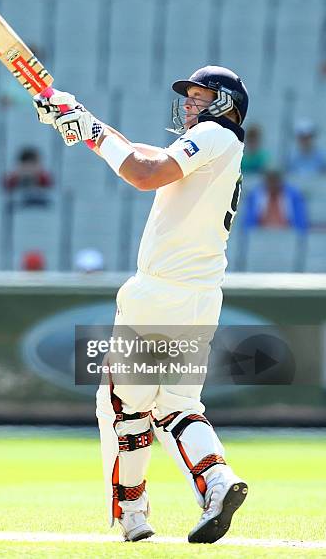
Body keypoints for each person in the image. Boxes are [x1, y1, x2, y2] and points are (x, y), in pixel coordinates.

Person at [33, 65, 249, 543]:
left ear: (227, 103)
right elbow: (143, 154)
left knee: (121, 404)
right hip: (200, 297)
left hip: (157, 293)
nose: (190, 104)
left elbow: (142, 174)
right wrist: (85, 121)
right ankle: (218, 480)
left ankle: (132, 515)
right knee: (177, 405)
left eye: (201, 96)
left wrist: (89, 129)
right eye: (188, 96)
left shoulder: (213, 134)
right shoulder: (219, 149)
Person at [242, 170, 308, 233]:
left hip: (287, 234)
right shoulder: (254, 196)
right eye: (270, 180)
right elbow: (248, 223)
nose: (273, 184)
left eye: (275, 180)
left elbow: (300, 222)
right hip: (260, 234)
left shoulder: (294, 196)